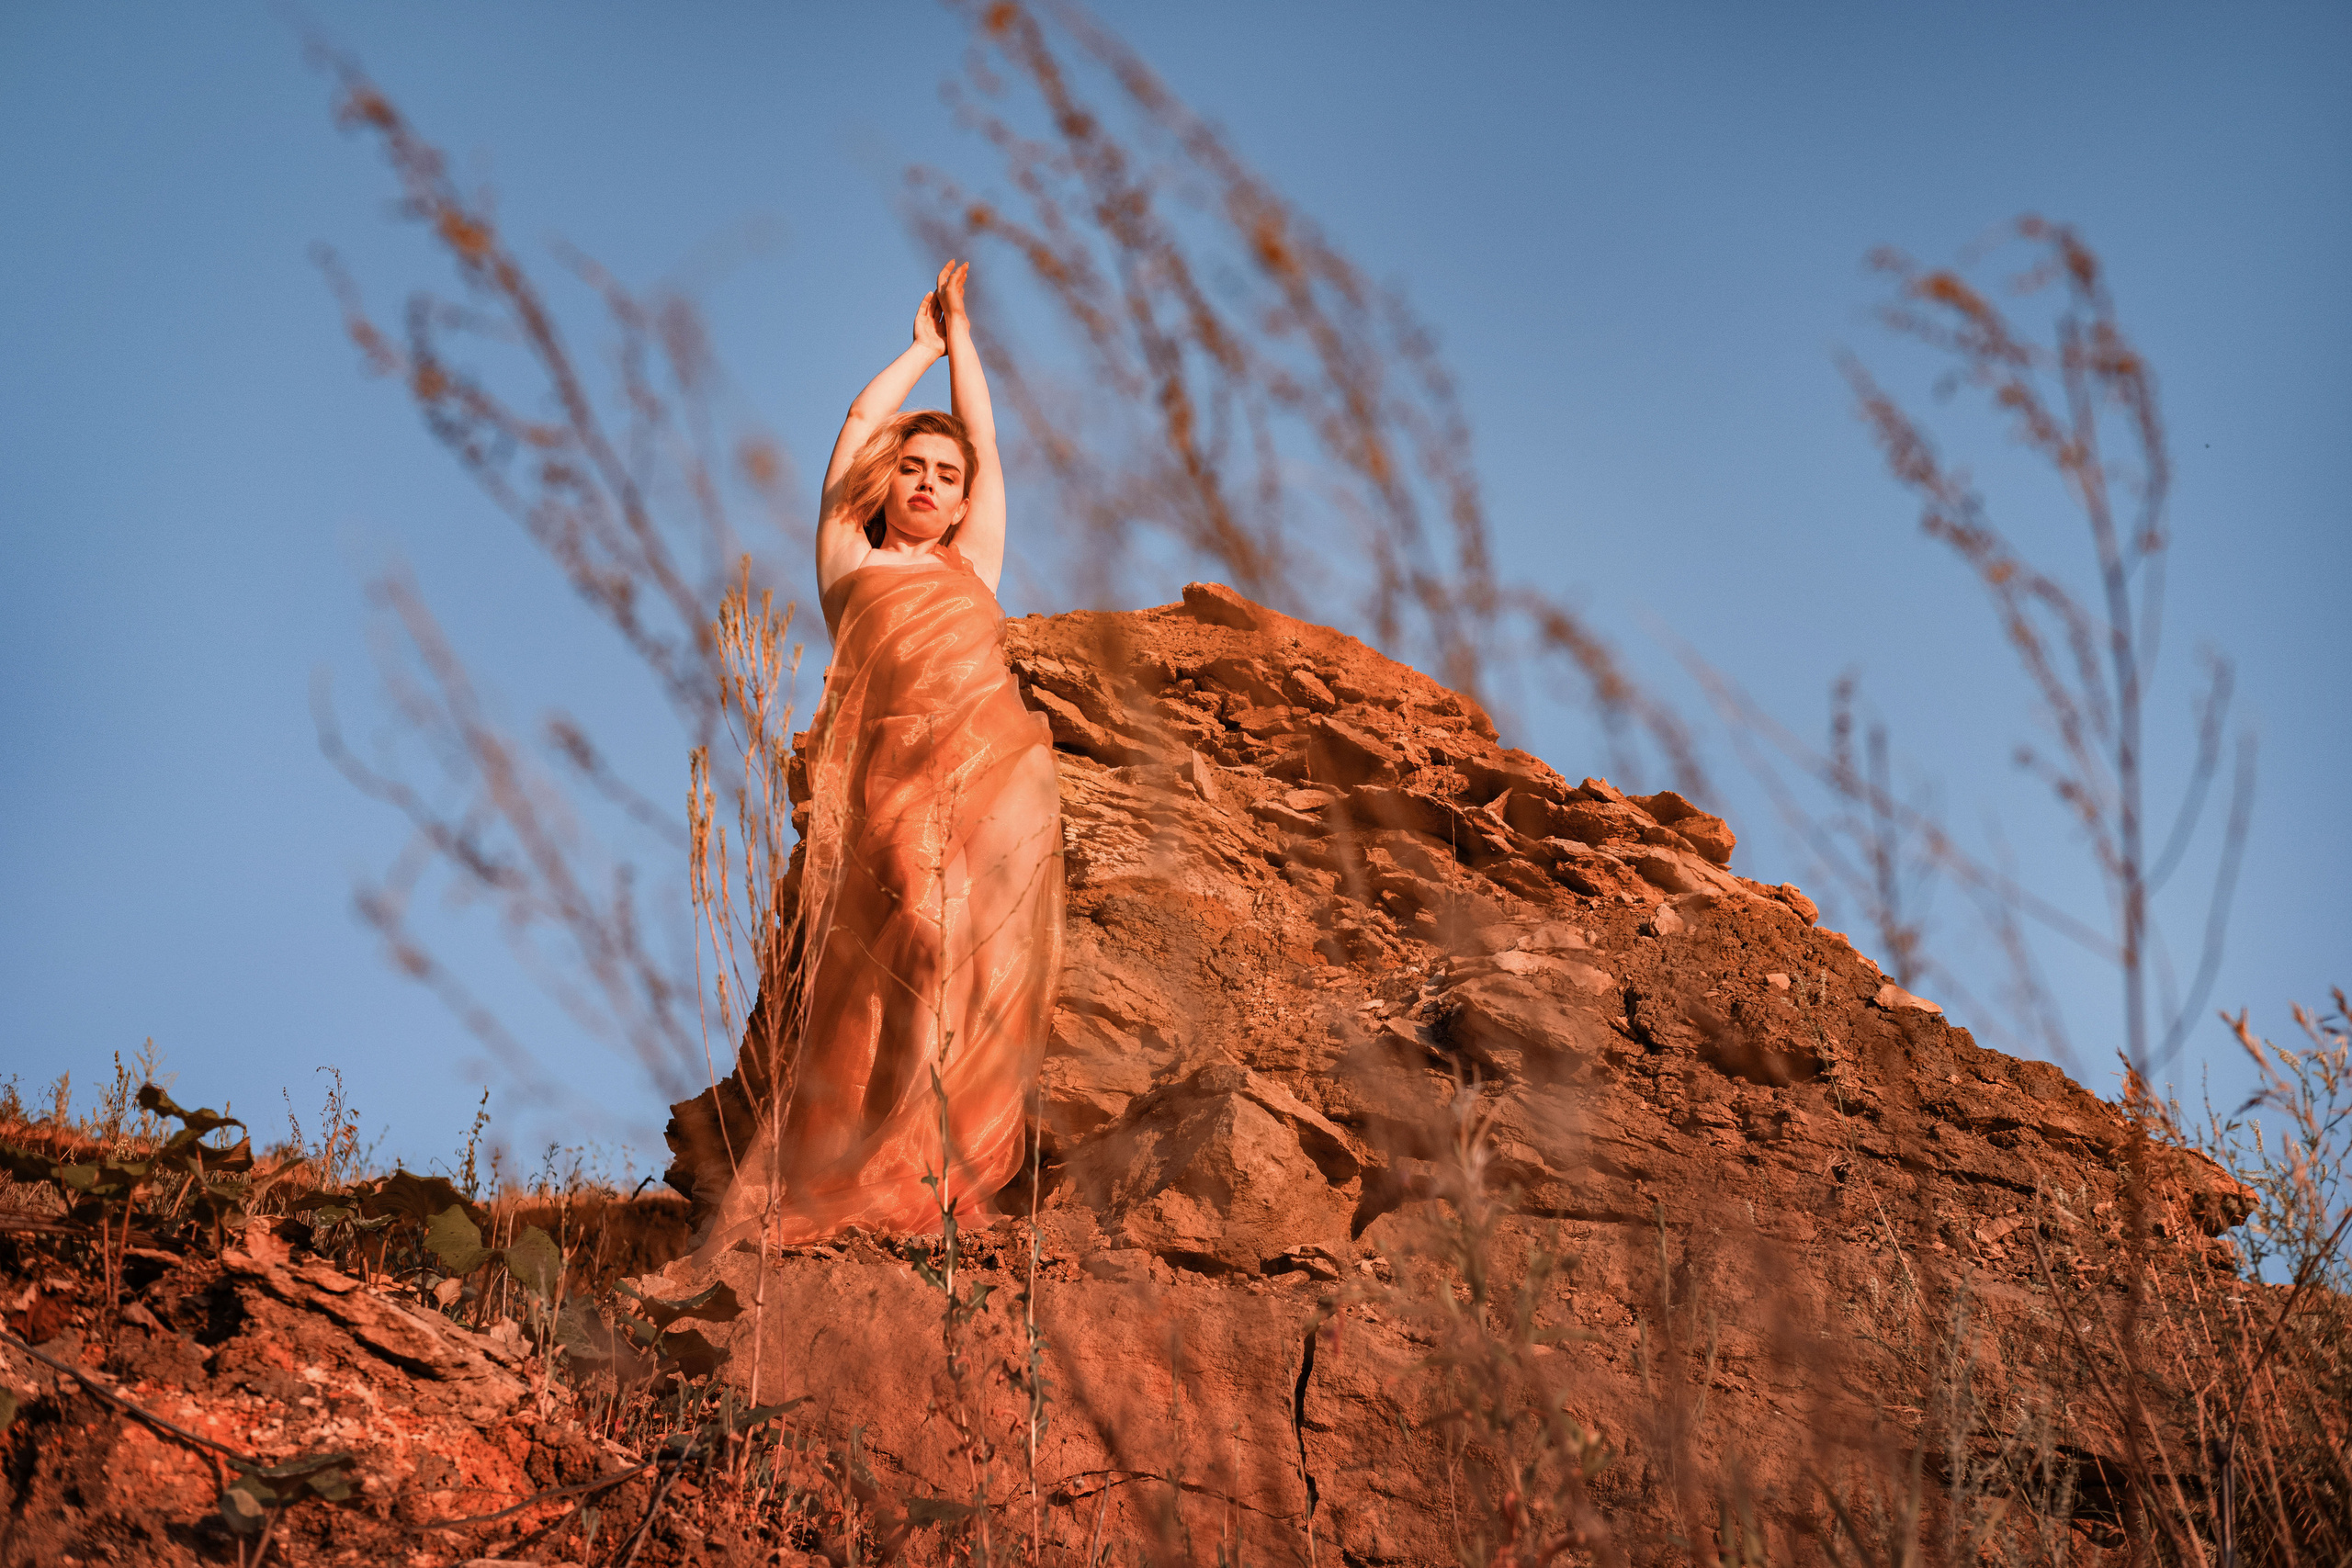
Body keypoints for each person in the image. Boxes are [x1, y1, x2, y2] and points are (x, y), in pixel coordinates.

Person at [703, 262, 1064, 1253]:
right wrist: (921, 349)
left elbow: (986, 438)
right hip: (901, 781)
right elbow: (860, 425)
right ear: (887, 483)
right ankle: (889, 1154)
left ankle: (937, 1163)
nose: (929, 482)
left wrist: (968, 341)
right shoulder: (851, 566)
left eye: (945, 476)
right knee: (922, 936)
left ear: (962, 500)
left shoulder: (973, 562)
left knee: (979, 970)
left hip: (996, 771)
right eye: (914, 469)